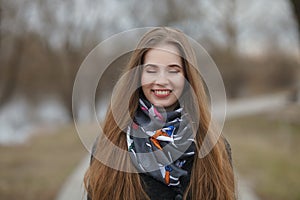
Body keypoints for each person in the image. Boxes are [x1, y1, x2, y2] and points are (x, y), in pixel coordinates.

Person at [84, 27, 235, 200]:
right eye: (151, 70)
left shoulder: (216, 148)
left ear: (187, 77)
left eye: (173, 70)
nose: (162, 81)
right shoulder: (108, 147)